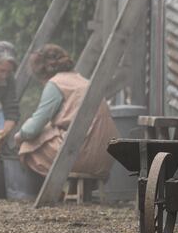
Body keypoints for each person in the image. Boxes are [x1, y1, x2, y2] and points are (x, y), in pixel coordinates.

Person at [14, 44, 118, 178]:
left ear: (41, 70)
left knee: (28, 144)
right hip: (106, 156)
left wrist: (19, 136)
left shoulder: (55, 83)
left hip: (82, 155)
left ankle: (44, 191)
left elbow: (32, 129)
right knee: (49, 130)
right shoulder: (83, 81)